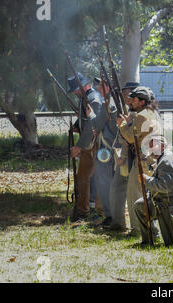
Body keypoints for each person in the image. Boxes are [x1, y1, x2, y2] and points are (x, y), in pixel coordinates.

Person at [117, 86, 162, 236]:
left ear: (142, 101)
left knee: (134, 193)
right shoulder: (152, 113)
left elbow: (131, 137)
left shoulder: (141, 116)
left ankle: (137, 229)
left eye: (134, 99)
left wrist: (122, 124)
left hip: (142, 159)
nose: (131, 101)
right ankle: (151, 227)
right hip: (151, 159)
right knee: (147, 194)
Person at [93, 77, 128, 230]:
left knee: (105, 183)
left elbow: (97, 124)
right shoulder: (114, 102)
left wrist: (90, 115)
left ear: (107, 86)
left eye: (100, 87)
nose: (98, 90)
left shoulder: (108, 103)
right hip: (115, 148)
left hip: (108, 148)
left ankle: (110, 215)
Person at [68, 73, 102, 222]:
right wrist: (76, 126)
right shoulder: (85, 98)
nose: (75, 92)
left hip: (91, 144)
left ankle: (83, 212)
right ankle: (89, 208)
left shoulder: (92, 99)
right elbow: (84, 119)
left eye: (76, 89)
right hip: (89, 143)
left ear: (83, 86)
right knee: (88, 177)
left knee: (83, 178)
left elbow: (91, 125)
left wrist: (79, 146)